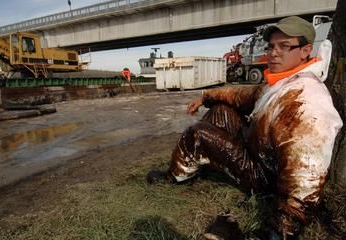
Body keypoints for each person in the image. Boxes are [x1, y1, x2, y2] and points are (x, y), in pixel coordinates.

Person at [146, 16, 343, 238]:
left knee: (197, 132)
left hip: (264, 177)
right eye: (271, 46)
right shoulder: (285, 82)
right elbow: (242, 95)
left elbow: (305, 177)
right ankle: (201, 163)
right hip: (257, 149)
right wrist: (205, 96)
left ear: (305, 50)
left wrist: (277, 232)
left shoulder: (307, 102)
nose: (273, 53)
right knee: (222, 110)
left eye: (284, 46)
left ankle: (175, 175)